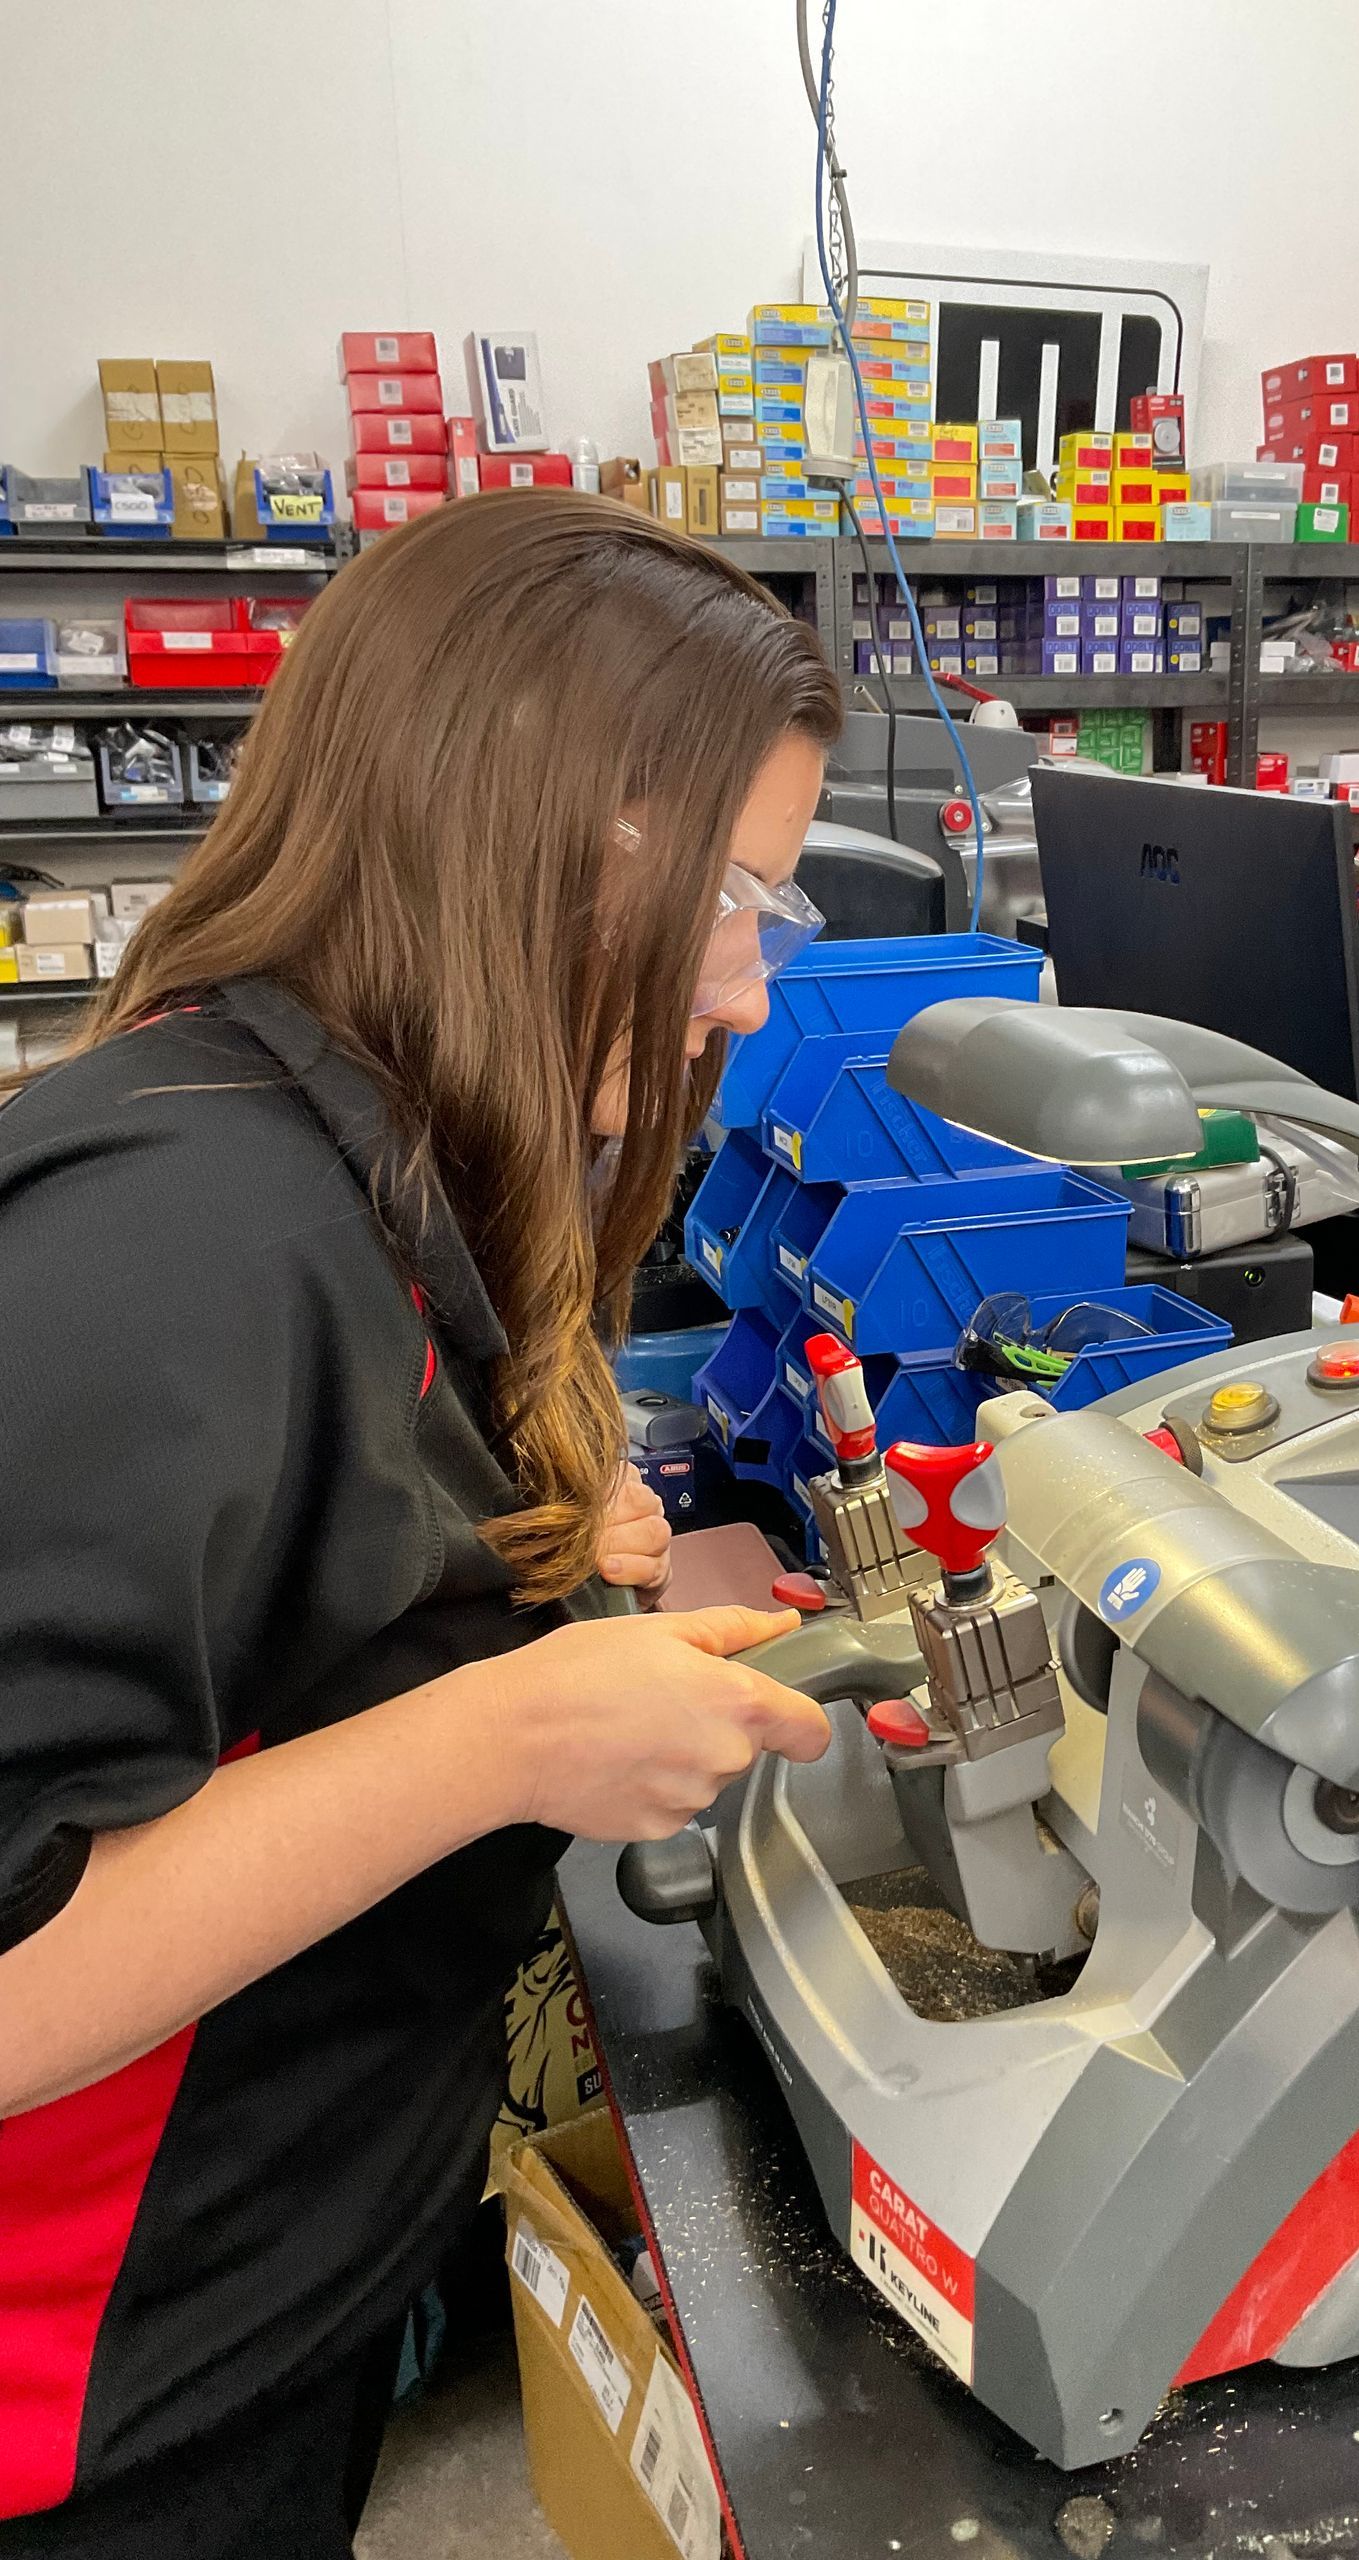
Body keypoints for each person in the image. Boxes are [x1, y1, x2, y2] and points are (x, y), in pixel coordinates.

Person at [0, 492, 842, 2556]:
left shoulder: (383, 1144)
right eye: (744, 901)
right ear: (562, 851)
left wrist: (532, 1558)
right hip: (89, 2401)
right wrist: (514, 1735)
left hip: (279, 2269)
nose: (745, 990)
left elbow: (287, 1619)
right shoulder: (176, 1237)